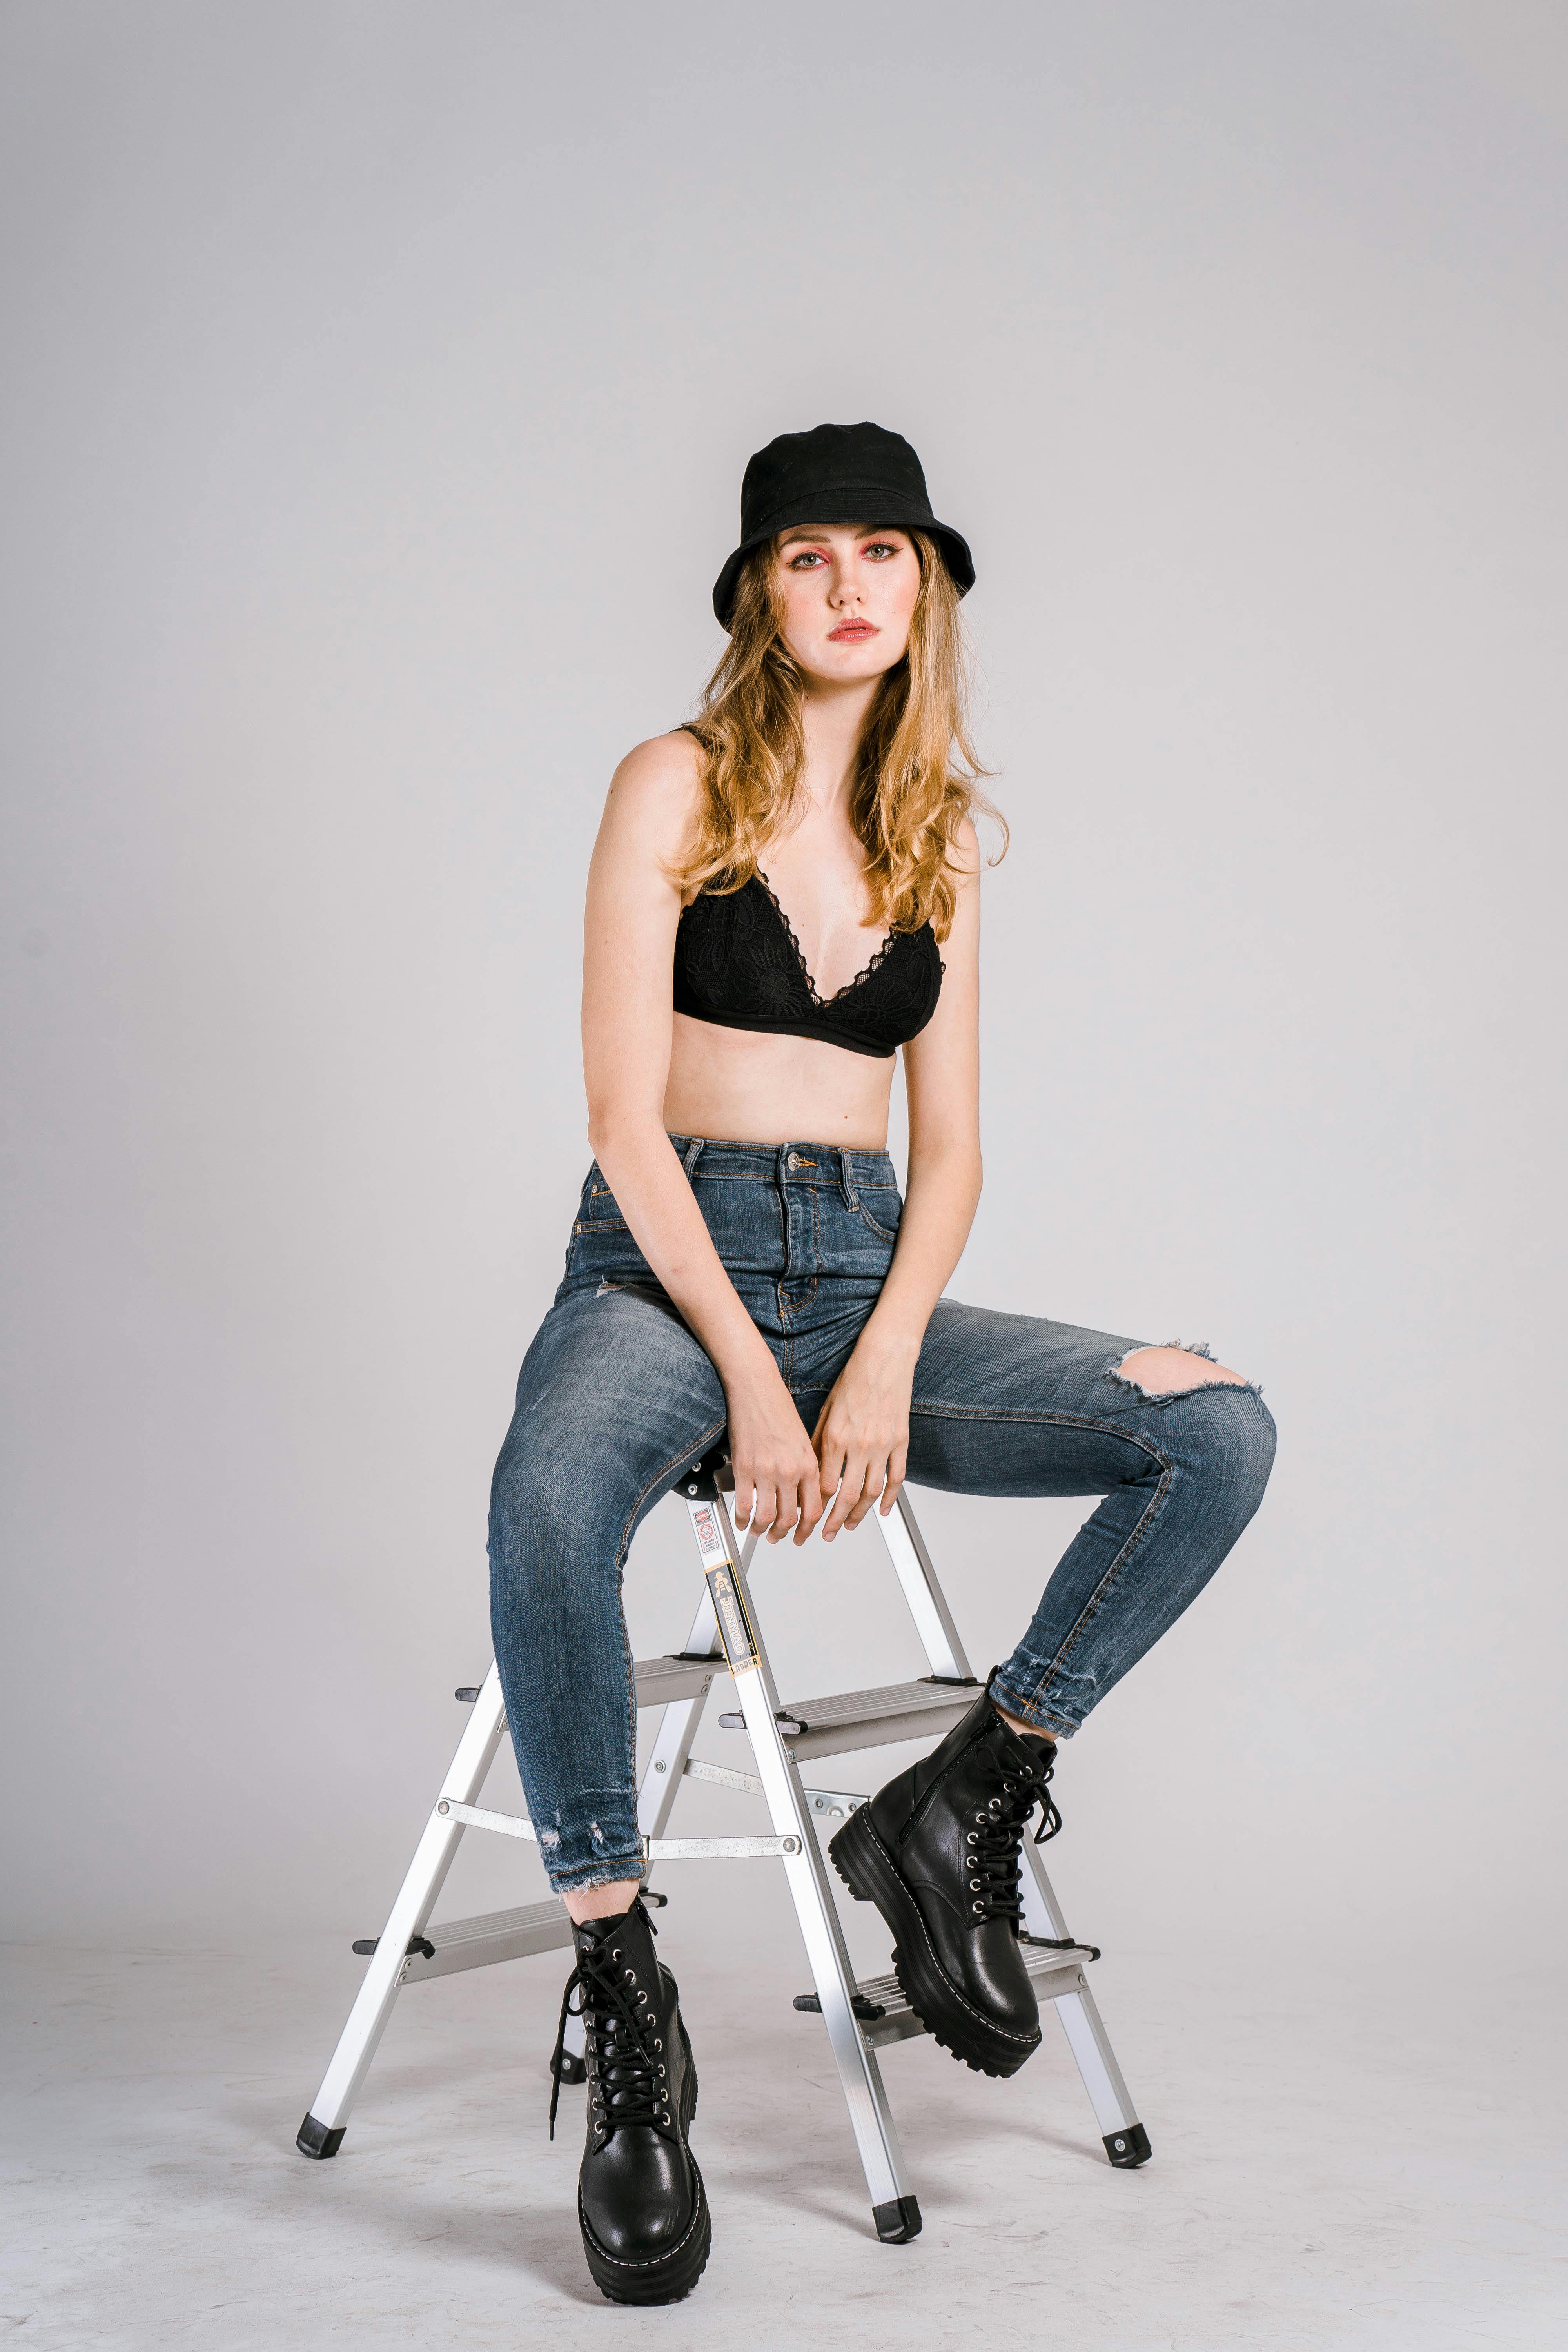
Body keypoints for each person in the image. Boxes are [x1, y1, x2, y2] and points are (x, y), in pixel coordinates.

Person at [488, 421, 1277, 2302]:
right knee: (542, 1499)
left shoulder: (939, 839)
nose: (849, 588)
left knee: (1215, 1428)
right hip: (658, 1274)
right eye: (809, 557)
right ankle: (621, 1980)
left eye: (884, 557)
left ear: (926, 590)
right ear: (760, 591)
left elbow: (955, 1156)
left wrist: (874, 1359)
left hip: (862, 1276)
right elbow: (616, 1117)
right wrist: (754, 1388)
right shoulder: (670, 782)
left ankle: (967, 1794)